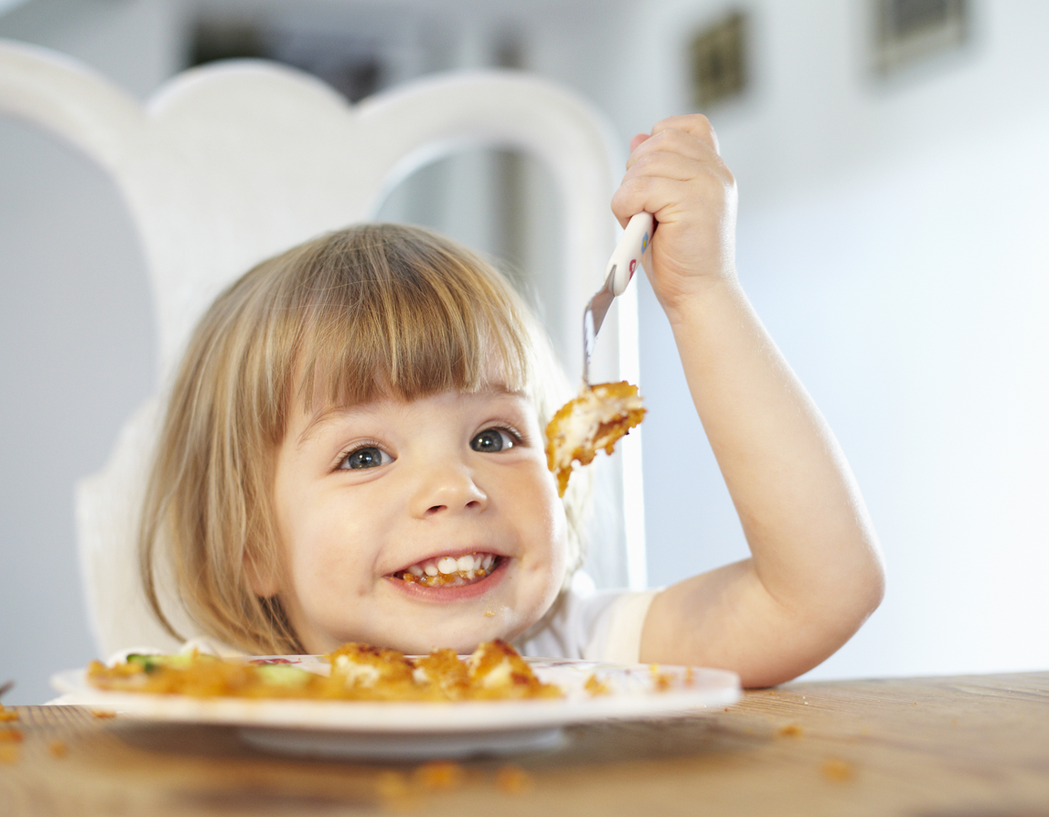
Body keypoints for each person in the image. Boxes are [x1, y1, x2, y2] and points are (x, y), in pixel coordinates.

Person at [139, 114, 884, 688]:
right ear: (252, 545)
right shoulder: (223, 702)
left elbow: (820, 592)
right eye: (364, 454)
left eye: (494, 437)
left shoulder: (581, 650)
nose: (456, 487)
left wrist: (700, 292)